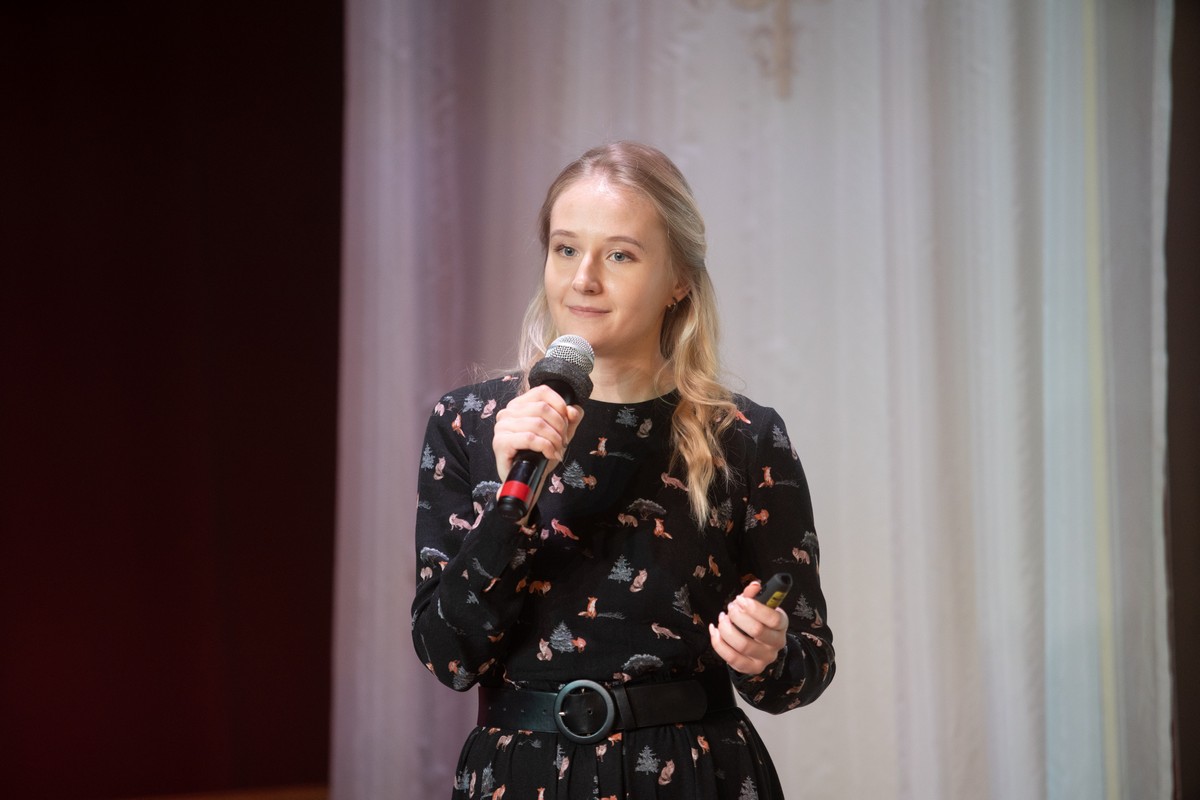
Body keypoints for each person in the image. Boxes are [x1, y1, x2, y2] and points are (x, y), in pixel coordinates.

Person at [412, 141, 834, 799]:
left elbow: (805, 669)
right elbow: (448, 658)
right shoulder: (469, 421)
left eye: (620, 255)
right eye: (565, 249)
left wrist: (768, 652)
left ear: (678, 280)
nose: (583, 279)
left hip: (691, 775)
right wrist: (506, 503)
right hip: (521, 776)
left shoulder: (745, 437)